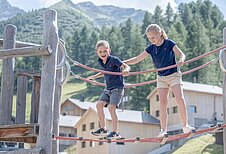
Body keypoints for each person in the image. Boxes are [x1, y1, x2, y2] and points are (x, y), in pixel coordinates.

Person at [123, 24, 195, 137]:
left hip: (174, 74)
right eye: (149, 38)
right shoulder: (151, 48)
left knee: (179, 98)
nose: (152, 40)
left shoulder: (169, 43)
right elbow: (137, 59)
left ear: (160, 33)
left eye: (153, 37)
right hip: (161, 77)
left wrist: (181, 60)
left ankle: (185, 125)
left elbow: (181, 54)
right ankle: (163, 130)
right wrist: (122, 63)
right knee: (162, 102)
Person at [87, 40, 130, 139]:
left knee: (111, 108)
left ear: (109, 50)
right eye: (100, 52)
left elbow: (125, 66)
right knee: (99, 105)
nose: (103, 53)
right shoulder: (100, 61)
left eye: (105, 51)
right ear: (97, 53)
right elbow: (104, 71)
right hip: (108, 88)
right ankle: (103, 129)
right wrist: (94, 76)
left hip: (117, 88)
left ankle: (115, 132)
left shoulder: (114, 60)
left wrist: (126, 70)